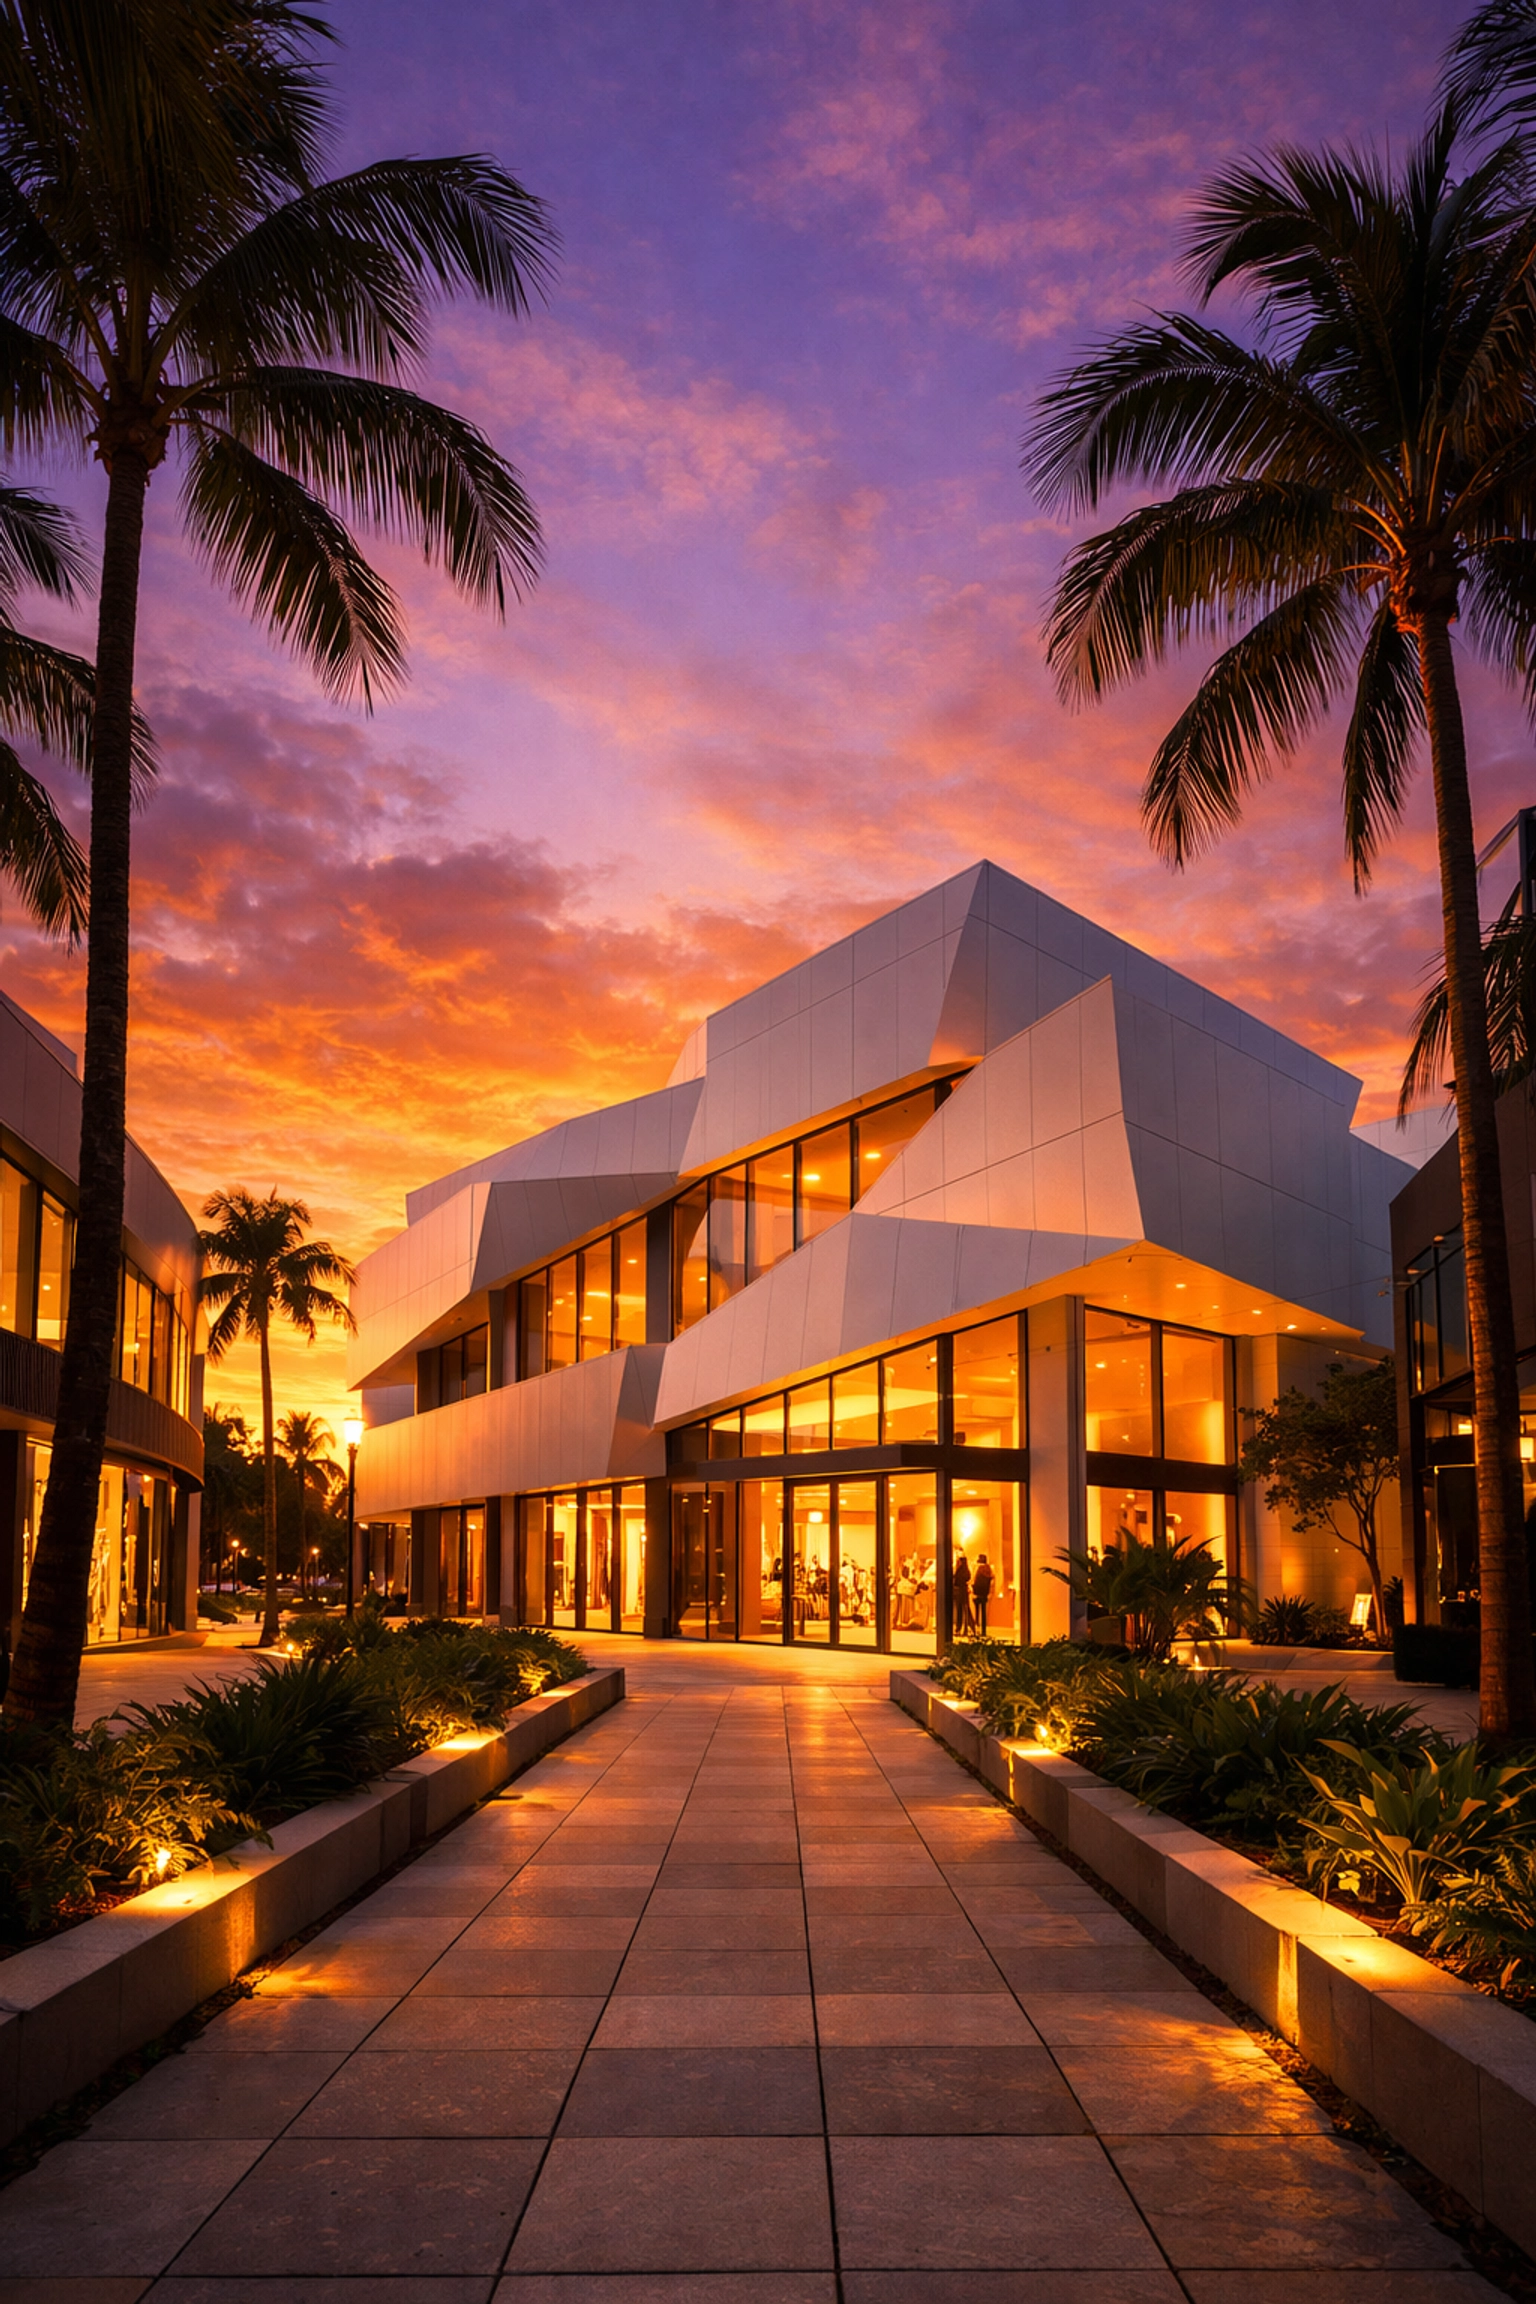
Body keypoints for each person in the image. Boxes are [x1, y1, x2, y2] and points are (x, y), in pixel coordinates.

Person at [952, 1549, 973, 1635]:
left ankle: (960, 1628)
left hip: (959, 1592)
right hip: (963, 1592)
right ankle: (966, 1628)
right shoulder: (966, 1570)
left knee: (960, 1611)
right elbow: (968, 1578)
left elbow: (956, 1580)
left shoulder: (960, 1570)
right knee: (964, 1610)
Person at [972, 1552, 993, 1635]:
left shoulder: (979, 1570)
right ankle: (984, 1630)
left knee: (977, 1611)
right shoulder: (989, 1570)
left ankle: (977, 1627)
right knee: (984, 1612)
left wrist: (973, 1589)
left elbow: (976, 1582)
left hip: (978, 1593)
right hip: (985, 1594)